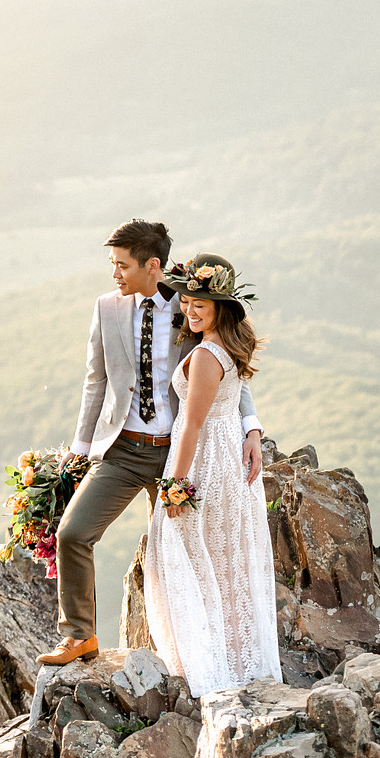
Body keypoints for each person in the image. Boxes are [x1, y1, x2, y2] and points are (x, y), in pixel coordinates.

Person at [36, 220, 264, 666]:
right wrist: (80, 450)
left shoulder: (192, 305)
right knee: (73, 533)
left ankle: (192, 647)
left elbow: (225, 361)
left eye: (121, 265)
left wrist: (251, 424)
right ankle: (79, 636)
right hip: (122, 449)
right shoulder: (106, 308)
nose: (114, 274)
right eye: (112, 265)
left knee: (176, 554)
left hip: (178, 450)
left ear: (152, 265)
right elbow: (95, 381)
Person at [143, 253, 281, 696]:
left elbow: (192, 424)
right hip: (225, 459)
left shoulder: (205, 355)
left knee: (187, 556)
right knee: (224, 561)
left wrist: (175, 485)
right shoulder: (229, 347)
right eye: (186, 301)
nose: (190, 309)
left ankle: (207, 669)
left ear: (222, 304)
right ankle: (233, 663)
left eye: (200, 303)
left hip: (206, 461)